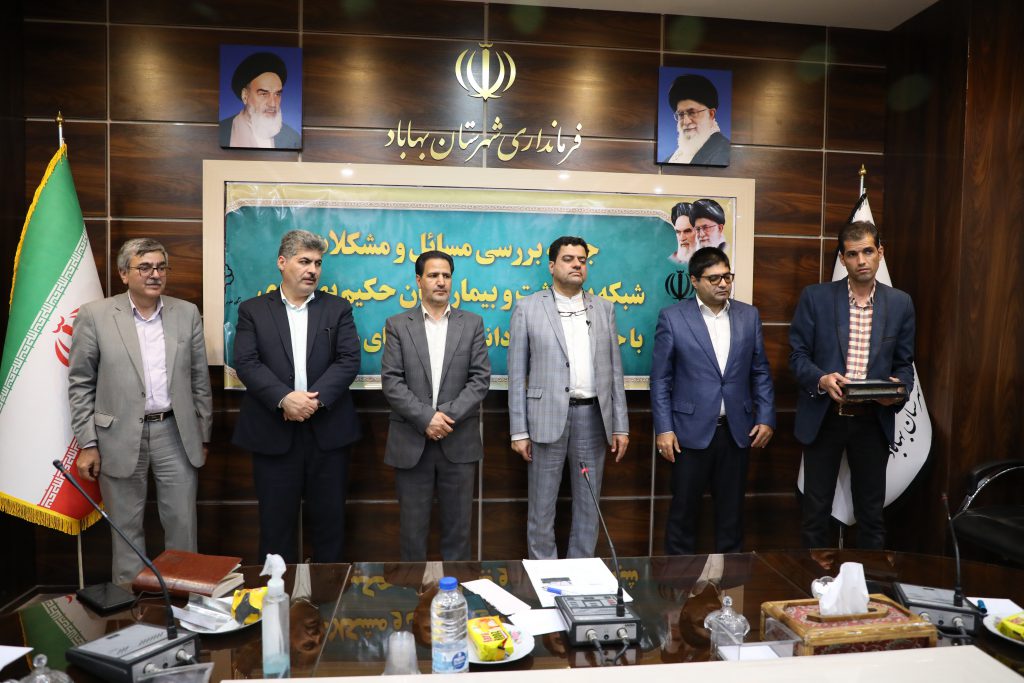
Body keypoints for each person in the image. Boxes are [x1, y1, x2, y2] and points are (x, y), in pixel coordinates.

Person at [68, 238, 212, 583]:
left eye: (161, 267)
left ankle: (183, 599)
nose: (155, 274)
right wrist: (88, 443)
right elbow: (80, 383)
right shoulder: (95, 315)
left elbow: (199, 379)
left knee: (182, 523)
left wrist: (203, 434)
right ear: (123, 273)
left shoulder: (186, 313)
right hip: (116, 435)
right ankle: (131, 606)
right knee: (126, 527)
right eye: (144, 267)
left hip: (175, 433)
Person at [232, 229, 361, 563]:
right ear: (282, 262)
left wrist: (312, 402)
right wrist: (284, 399)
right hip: (273, 432)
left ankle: (328, 593)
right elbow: (246, 362)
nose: (312, 270)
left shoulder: (337, 309)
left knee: (330, 526)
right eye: (304, 261)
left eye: (317, 263)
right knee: (275, 528)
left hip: (328, 434)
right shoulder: (253, 310)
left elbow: (349, 360)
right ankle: (280, 594)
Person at [790, 221, 915, 549]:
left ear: (880, 253)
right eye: (853, 254)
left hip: (873, 420)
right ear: (842, 259)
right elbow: (798, 356)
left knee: (871, 516)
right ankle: (815, 581)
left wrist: (897, 392)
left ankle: (867, 582)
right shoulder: (815, 297)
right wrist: (821, 378)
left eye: (868, 251)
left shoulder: (900, 303)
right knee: (815, 513)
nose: (861, 260)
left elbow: (905, 363)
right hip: (825, 417)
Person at [507, 235, 630, 559]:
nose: (577, 265)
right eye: (568, 259)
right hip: (545, 419)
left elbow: (614, 371)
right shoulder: (527, 308)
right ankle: (544, 577)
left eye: (582, 260)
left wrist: (621, 426)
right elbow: (516, 375)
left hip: (592, 418)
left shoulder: (604, 308)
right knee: (542, 507)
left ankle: (582, 573)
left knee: (589, 507)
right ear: (552, 266)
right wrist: (519, 431)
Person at [651, 247, 775, 555]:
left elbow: (760, 370)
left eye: (727, 277)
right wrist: (664, 428)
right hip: (688, 433)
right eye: (714, 278)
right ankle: (678, 584)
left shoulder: (748, 315)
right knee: (683, 514)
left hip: (737, 430)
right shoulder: (673, 317)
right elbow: (661, 379)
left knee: (732, 517)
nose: (723, 284)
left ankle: (731, 583)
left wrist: (766, 417)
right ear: (694, 281)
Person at [380, 250, 491, 561]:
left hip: (459, 441)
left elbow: (480, 379)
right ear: (419, 281)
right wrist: (427, 418)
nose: (441, 281)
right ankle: (415, 592)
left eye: (446, 276)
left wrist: (444, 418)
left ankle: (457, 591)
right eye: (433, 275)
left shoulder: (472, 324)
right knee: (412, 534)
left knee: (458, 534)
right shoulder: (398, 325)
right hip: (411, 442)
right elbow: (392, 381)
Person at [219, 51, 301, 149]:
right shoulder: (221, 131)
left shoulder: (292, 137)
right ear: (245, 95)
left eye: (277, 94)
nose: (273, 104)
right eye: (264, 94)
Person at [663, 74, 730, 165]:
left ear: (711, 114)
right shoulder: (670, 160)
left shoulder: (724, 153)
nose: (686, 122)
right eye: (681, 114)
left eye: (692, 112)